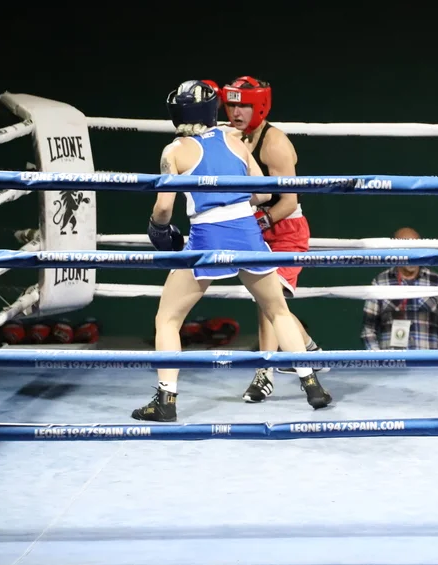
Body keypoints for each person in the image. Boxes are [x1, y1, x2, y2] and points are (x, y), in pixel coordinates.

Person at [132, 80, 332, 422]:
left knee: (167, 318)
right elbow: (263, 194)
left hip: (207, 235)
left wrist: (158, 228)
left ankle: (166, 400)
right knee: (278, 310)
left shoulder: (174, 150)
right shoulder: (234, 141)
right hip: (247, 232)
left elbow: (164, 208)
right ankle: (312, 385)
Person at [217, 76, 325, 403]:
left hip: (285, 229)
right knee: (271, 302)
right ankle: (309, 349)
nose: (235, 112)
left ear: (260, 106)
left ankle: (264, 373)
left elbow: (289, 202)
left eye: (243, 107)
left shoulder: (274, 143)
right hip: (254, 227)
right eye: (231, 105)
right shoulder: (230, 135)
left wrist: (257, 223)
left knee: (268, 300)